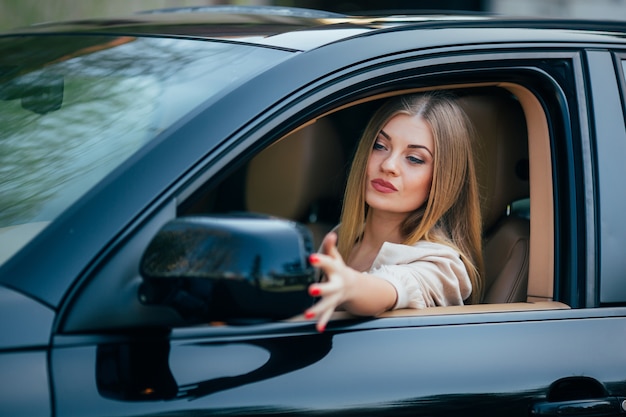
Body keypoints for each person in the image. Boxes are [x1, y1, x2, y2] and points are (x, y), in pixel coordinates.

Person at [304, 92, 484, 332]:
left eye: (414, 159)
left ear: (441, 181)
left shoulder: (442, 265)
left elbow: (392, 288)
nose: (388, 166)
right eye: (380, 146)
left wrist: (349, 285)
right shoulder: (339, 238)